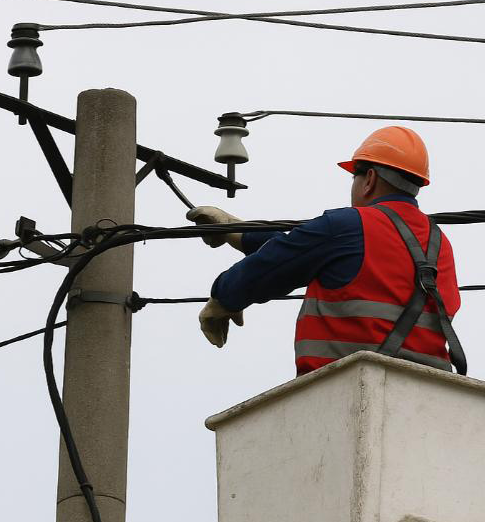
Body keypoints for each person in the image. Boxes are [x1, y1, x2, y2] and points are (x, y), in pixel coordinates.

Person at [187, 126, 467, 376]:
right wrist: (234, 229)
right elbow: (298, 251)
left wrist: (223, 298)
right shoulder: (439, 244)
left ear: (369, 179)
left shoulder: (348, 226)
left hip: (342, 393)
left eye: (354, 176)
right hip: (425, 398)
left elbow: (279, 262)